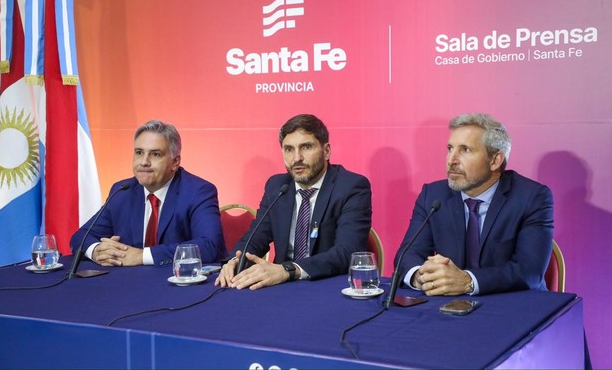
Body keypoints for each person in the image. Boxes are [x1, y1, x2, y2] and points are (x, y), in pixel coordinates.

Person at [395, 113, 554, 296]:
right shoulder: (432, 196)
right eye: (450, 148)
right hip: (449, 304)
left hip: (513, 303)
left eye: (465, 150)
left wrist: (468, 281)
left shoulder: (531, 197)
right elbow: (407, 255)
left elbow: (529, 271)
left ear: (495, 160)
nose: (451, 160)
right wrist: (421, 276)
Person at [216, 114, 372, 290]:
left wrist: (289, 270)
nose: (296, 158)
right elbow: (255, 238)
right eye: (289, 149)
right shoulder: (277, 186)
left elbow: (347, 252)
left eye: (306, 147)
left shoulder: (351, 187)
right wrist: (235, 260)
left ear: (326, 151)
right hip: (281, 288)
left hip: (328, 286)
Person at [70, 120, 226, 266]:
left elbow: (209, 246)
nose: (144, 162)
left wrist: (141, 256)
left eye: (155, 154)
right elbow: (80, 237)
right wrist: (97, 250)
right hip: (130, 282)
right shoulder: (122, 191)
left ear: (175, 162)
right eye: (139, 152)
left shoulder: (198, 192)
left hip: (178, 282)